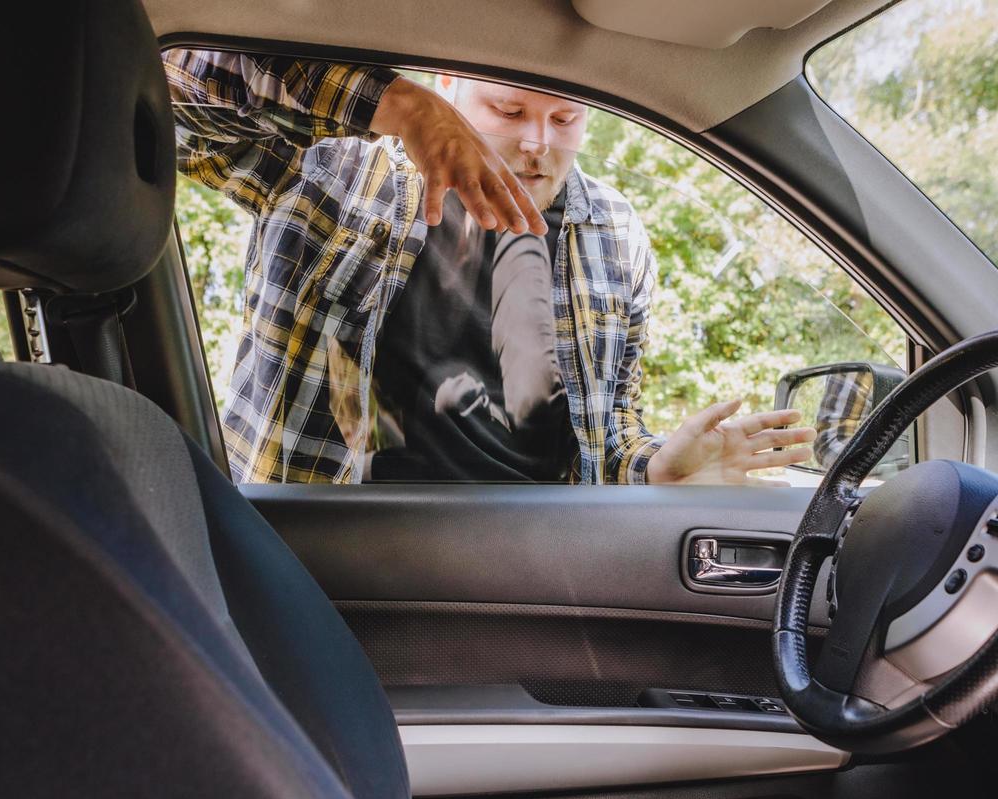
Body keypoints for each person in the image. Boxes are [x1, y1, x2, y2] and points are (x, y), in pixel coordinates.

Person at [164, 50, 814, 484]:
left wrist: (656, 469)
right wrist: (401, 107)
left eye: (566, 119)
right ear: (449, 88)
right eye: (509, 112)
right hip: (323, 553)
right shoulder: (331, 172)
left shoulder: (615, 234)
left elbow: (608, 430)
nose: (538, 143)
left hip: (525, 564)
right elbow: (170, 90)